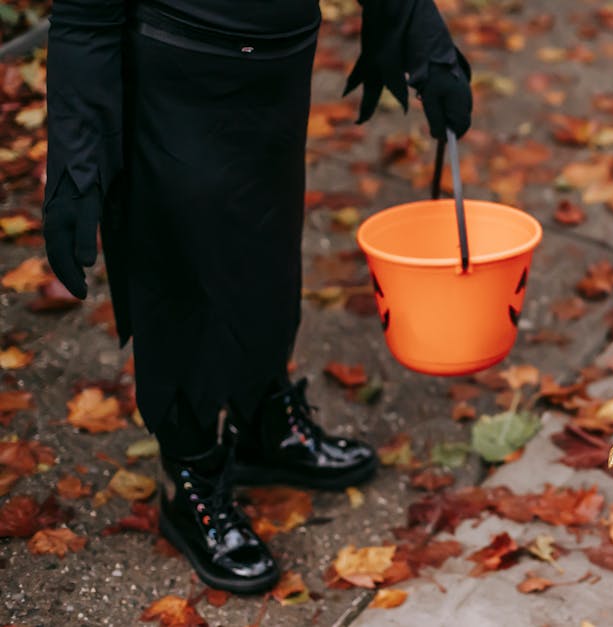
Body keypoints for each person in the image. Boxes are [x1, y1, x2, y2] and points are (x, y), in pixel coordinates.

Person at [42, 0, 472, 594]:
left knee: (268, 250)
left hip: (278, 66)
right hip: (174, 78)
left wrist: (417, 29)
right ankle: (185, 471)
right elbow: (84, 16)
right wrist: (75, 157)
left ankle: (262, 420)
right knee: (180, 272)